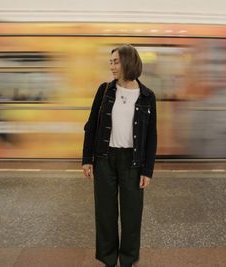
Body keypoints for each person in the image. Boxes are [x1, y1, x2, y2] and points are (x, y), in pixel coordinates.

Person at [82, 44, 157, 267]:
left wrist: (148, 170)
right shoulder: (104, 90)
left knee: (132, 214)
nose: (112, 66)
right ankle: (107, 258)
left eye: (115, 62)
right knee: (105, 213)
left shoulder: (147, 96)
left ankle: (127, 259)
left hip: (133, 163)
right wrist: (87, 159)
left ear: (128, 63)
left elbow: (151, 136)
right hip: (105, 158)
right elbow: (92, 126)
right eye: (111, 62)